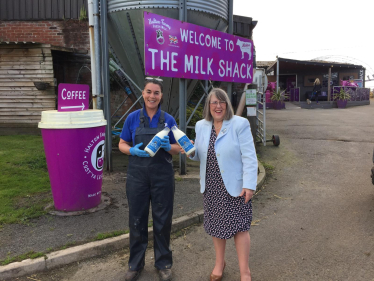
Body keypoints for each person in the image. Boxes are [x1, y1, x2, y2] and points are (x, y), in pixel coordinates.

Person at [188, 88, 258, 281]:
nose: (218, 106)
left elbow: (250, 157)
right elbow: (201, 155)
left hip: (236, 186)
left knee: (240, 229)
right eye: (213, 103)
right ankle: (220, 263)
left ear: (227, 105)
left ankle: (245, 271)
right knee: (216, 227)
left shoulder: (239, 124)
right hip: (212, 185)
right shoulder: (201, 126)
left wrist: (249, 184)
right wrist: (191, 151)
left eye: (222, 102)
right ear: (208, 106)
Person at [119, 77, 181, 281]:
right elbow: (122, 143)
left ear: (161, 96)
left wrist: (167, 147)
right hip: (137, 176)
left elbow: (179, 148)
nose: (152, 96)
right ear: (143, 93)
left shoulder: (168, 120)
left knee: (163, 220)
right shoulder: (132, 118)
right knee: (137, 220)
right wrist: (132, 151)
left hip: (162, 176)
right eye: (148, 92)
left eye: (156, 92)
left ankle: (163, 262)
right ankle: (135, 264)